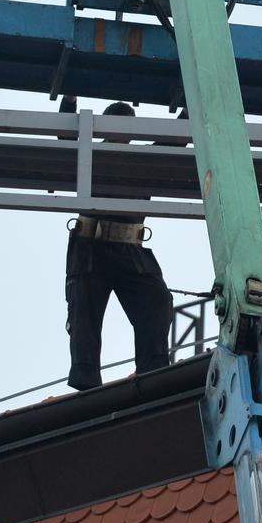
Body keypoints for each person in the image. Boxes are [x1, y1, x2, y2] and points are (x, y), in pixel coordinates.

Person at [58, 96, 175, 390]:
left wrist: (190, 99)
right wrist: (68, 98)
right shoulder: (90, 154)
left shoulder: (144, 160)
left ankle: (154, 373)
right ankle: (86, 383)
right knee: (84, 318)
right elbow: (65, 139)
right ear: (104, 128)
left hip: (129, 250)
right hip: (90, 247)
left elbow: (178, 140)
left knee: (157, 302)